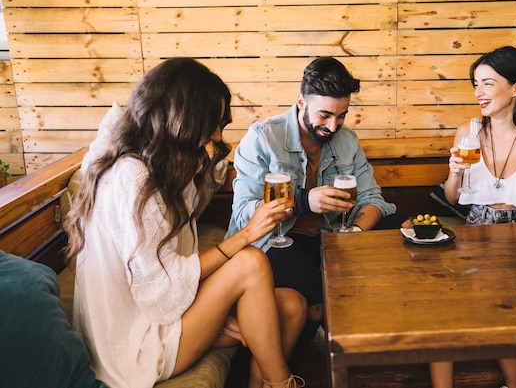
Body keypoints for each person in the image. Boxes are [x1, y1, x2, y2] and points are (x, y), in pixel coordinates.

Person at [65, 57, 304, 388]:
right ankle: (284, 384)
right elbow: (160, 292)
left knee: (293, 306)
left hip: (162, 312)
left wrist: (213, 311)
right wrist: (248, 233)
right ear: (183, 119)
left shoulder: (162, 167)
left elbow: (164, 274)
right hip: (136, 343)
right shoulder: (131, 175)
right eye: (213, 122)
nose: (218, 134)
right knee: (250, 262)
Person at [226, 56, 406, 363]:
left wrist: (355, 232)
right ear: (300, 102)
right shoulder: (263, 138)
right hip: (272, 243)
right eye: (324, 115)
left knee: (405, 230)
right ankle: (323, 331)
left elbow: (374, 200)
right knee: (320, 285)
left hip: (328, 238)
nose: (332, 125)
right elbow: (245, 212)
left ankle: (322, 317)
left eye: (342, 116)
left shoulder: (346, 140)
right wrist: (302, 201)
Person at [438, 46, 516, 388]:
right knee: (438, 302)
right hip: (475, 229)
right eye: (476, 84)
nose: (479, 92)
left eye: (488, 83)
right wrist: (454, 172)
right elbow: (453, 197)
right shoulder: (468, 131)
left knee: (489, 297)